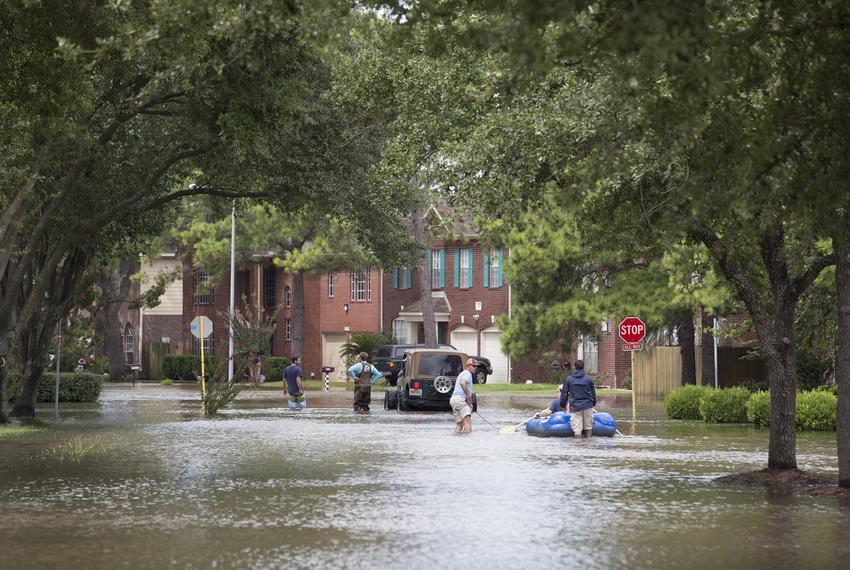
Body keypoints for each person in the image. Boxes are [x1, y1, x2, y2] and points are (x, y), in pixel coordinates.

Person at [559, 359, 597, 437]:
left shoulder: (569, 379)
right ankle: (588, 443)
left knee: (577, 428)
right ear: (583, 367)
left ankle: (578, 445)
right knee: (588, 427)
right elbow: (593, 393)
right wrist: (593, 403)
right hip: (588, 405)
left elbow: (564, 393)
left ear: (574, 367)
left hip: (576, 406)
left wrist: (563, 405)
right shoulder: (589, 379)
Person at [450, 358, 476, 433]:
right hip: (461, 400)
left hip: (454, 400)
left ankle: (457, 442)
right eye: (473, 366)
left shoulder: (462, 373)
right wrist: (469, 396)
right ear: (468, 366)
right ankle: (468, 443)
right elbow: (462, 383)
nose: (475, 368)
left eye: (476, 366)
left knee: (459, 424)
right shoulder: (468, 374)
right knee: (467, 422)